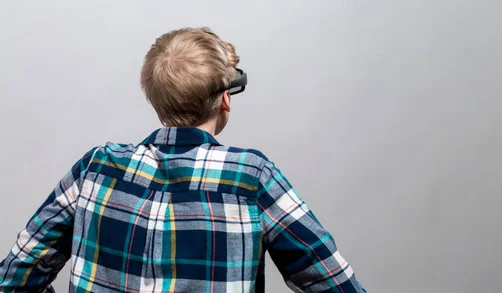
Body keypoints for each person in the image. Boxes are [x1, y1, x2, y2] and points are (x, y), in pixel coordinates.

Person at [0, 27, 365, 292]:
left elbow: (15, 278)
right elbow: (334, 284)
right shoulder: (251, 179)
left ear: (154, 98)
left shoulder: (96, 167)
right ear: (225, 99)